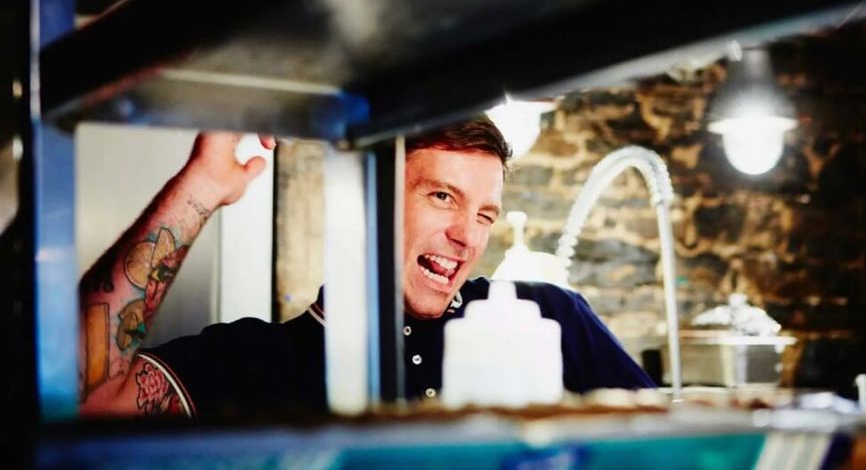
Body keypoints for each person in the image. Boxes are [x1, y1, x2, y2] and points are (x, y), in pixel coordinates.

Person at [79, 118, 653, 418]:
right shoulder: (258, 364)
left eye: (484, 214)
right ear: (368, 204)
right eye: (442, 197)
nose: (466, 235)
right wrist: (199, 188)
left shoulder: (548, 319)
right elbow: (86, 400)